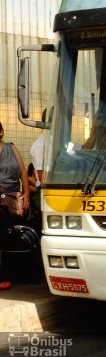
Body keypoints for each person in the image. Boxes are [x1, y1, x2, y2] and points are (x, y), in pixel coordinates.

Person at [0, 121, 31, 290]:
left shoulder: (11, 148)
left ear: (1, 133)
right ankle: (2, 276)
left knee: (14, 235)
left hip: (13, 199)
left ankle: (17, 273)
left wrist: (26, 193)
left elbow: (23, 172)